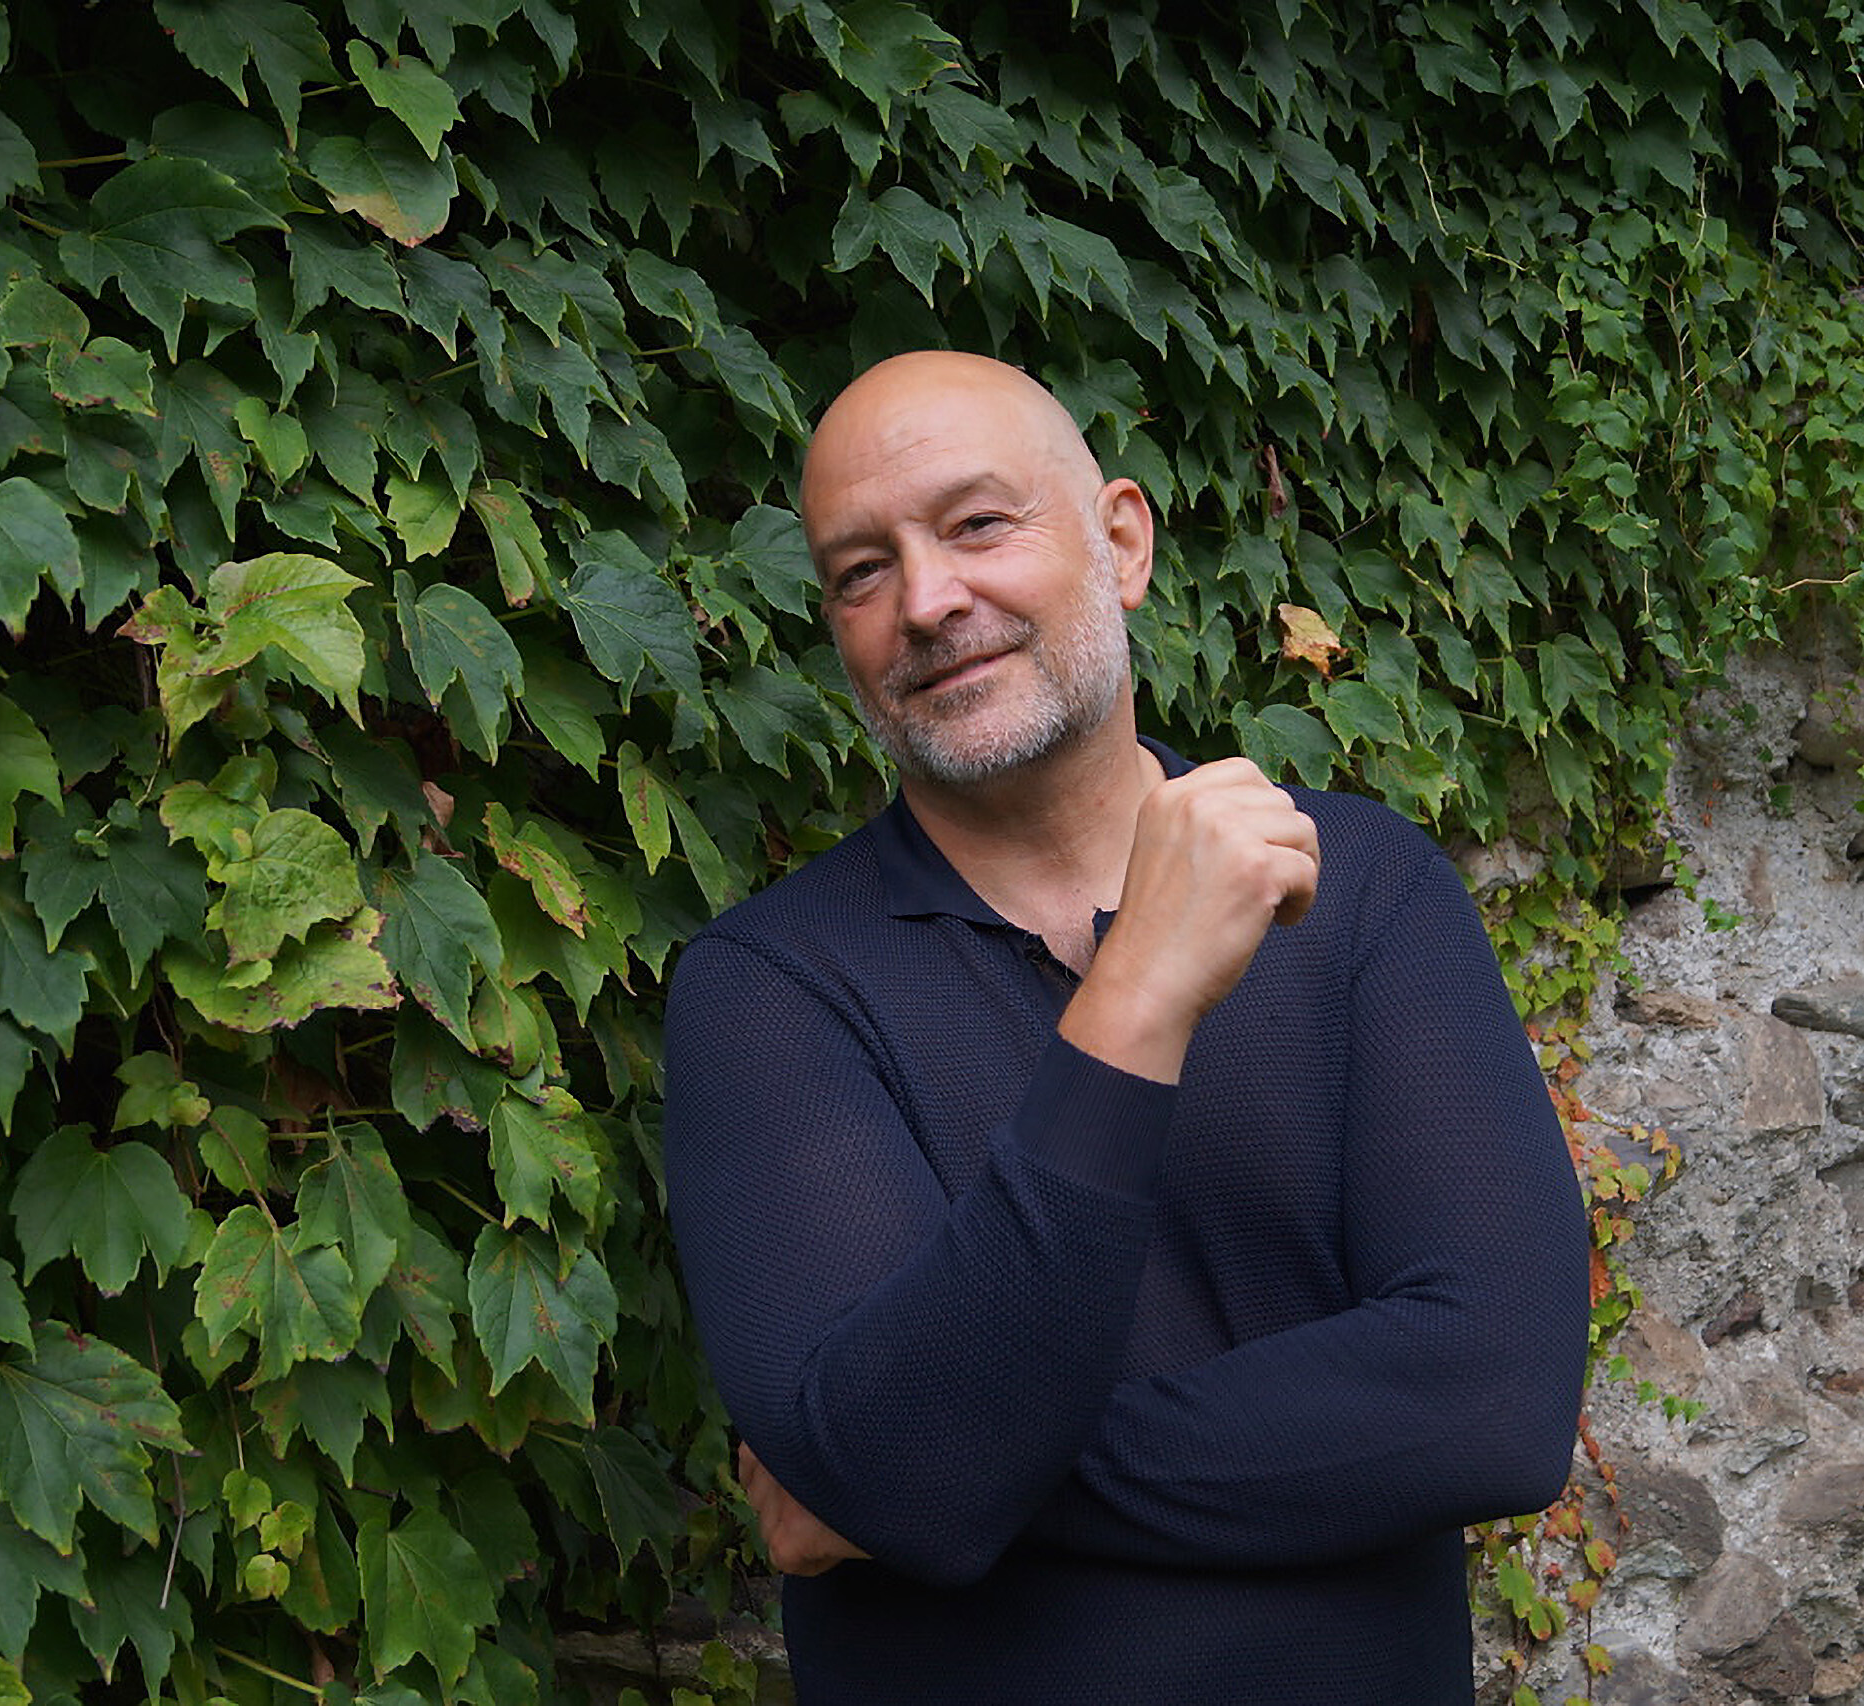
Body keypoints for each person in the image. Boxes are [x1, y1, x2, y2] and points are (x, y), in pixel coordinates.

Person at [662, 350, 1590, 1701]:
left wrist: (934, 1477)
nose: (928, 600)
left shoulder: (1361, 891)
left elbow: (1494, 1406)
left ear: (1123, 543)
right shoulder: (769, 989)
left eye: (979, 524)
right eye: (861, 571)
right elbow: (905, 1469)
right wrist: (1138, 995)